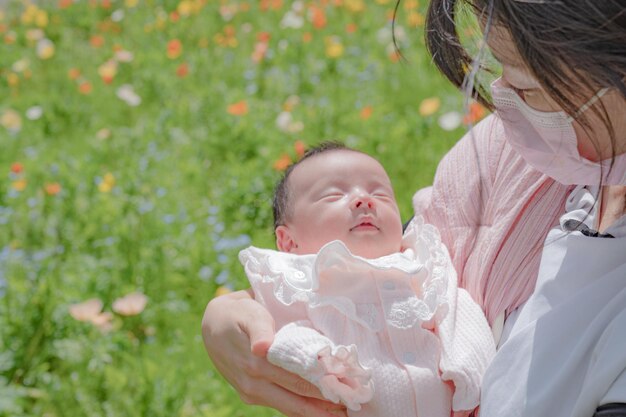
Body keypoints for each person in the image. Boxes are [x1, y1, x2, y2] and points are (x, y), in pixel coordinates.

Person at [202, 1, 626, 416]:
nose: (503, 102)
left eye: (528, 85)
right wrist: (229, 320)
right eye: (498, 70)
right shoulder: (509, 158)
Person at [238, 142, 495, 417]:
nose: (364, 199)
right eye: (333, 195)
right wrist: (319, 360)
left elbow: (455, 310)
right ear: (288, 241)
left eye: (380, 194)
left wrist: (471, 370)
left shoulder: (421, 266)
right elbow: (286, 331)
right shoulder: (297, 283)